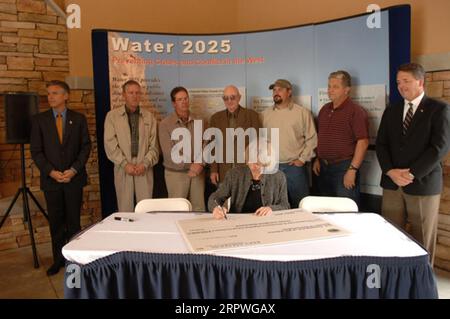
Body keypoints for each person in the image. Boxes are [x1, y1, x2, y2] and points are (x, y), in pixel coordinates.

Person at [376, 63, 450, 265]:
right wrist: (390, 171)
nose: (401, 86)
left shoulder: (439, 109)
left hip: (422, 183)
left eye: (406, 81)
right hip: (392, 184)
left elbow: (440, 147)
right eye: (398, 82)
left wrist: (411, 174)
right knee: (390, 233)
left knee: (422, 238)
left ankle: (423, 284)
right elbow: (381, 144)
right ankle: (394, 278)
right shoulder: (392, 110)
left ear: (420, 81)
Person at [30, 80, 91, 276]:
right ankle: (58, 260)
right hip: (51, 181)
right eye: (49, 93)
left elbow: (85, 147)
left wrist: (73, 170)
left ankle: (74, 261)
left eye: (55, 93)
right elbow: (36, 151)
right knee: (55, 222)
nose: (51, 97)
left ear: (66, 96)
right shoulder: (40, 120)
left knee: (73, 222)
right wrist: (51, 171)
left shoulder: (78, 119)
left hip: (74, 179)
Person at [313, 70, 369, 207]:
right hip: (323, 168)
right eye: (329, 86)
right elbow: (321, 138)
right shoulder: (324, 110)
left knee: (346, 210)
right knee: (325, 210)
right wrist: (317, 159)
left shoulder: (356, 111)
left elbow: (363, 142)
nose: (330, 90)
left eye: (335, 87)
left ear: (347, 90)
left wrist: (352, 170)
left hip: (344, 168)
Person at [104, 80, 159, 212]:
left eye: (137, 93)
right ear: (124, 95)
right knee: (125, 208)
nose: (134, 96)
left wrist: (145, 163)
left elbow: (154, 146)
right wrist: (124, 164)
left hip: (144, 167)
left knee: (146, 209)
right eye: (131, 93)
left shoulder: (149, 117)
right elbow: (110, 144)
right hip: (123, 167)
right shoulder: (112, 117)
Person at [261, 79, 317, 208]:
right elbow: (261, 141)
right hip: (272, 168)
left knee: (302, 205)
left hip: (294, 168)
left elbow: (312, 139)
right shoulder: (265, 115)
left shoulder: (302, 113)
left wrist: (302, 159)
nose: (276, 93)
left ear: (289, 92)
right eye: (274, 90)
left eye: (280, 89)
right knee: (273, 206)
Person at [208, 139, 289, 218]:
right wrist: (216, 209)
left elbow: (285, 205)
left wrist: (272, 209)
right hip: (239, 223)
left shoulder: (279, 177)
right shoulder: (234, 174)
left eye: (264, 164)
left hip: (267, 223)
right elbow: (215, 198)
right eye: (255, 163)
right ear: (247, 160)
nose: (259, 168)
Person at [159, 87, 206, 211]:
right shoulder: (165, 124)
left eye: (186, 98)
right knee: (177, 211)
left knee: (199, 210)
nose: (184, 101)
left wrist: (200, 164)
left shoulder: (199, 121)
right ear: (174, 103)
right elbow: (169, 153)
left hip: (198, 173)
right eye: (180, 99)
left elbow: (206, 145)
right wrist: (191, 165)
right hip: (176, 174)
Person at [209, 85, 261, 186]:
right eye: (226, 98)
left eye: (232, 97)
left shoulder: (252, 116)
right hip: (223, 170)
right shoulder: (215, 118)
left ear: (239, 97)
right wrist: (214, 170)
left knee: (245, 199)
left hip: (246, 169)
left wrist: (255, 168)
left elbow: (257, 145)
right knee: (225, 200)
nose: (229, 101)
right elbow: (213, 147)